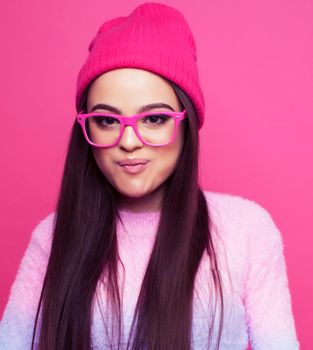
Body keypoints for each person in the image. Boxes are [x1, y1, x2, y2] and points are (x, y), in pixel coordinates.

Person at [0, 2, 300, 350]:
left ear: (186, 123)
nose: (128, 142)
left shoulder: (247, 231)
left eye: (154, 119)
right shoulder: (52, 237)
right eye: (107, 120)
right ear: (86, 128)